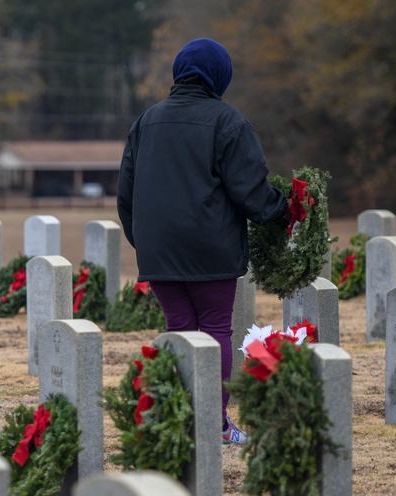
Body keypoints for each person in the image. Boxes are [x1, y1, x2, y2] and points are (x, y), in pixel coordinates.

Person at [116, 37, 290, 446]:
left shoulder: (145, 122)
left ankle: (180, 422)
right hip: (210, 248)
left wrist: (144, 241)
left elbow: (126, 193)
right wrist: (283, 212)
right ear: (219, 76)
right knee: (214, 333)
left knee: (178, 329)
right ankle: (214, 425)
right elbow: (250, 191)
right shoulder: (228, 122)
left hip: (158, 252)